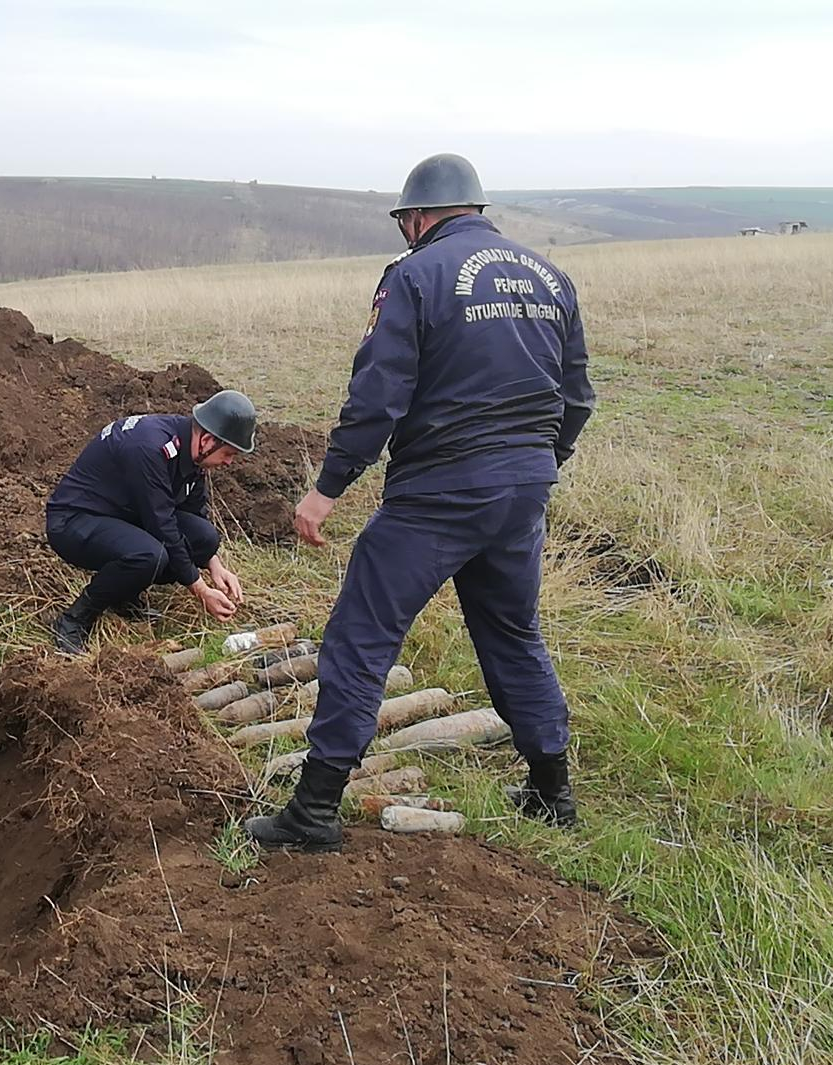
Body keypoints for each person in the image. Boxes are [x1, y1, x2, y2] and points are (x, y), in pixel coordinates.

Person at [248, 153, 595, 853]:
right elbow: (578, 395)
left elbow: (378, 397)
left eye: (405, 220)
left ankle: (314, 809)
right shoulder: (550, 277)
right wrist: (536, 465)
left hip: (440, 488)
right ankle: (552, 793)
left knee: (362, 634)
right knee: (513, 633)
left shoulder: (414, 275)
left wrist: (327, 489)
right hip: (522, 489)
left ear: (419, 217)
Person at [44, 390, 259, 654]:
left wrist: (215, 566)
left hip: (121, 514)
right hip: (75, 520)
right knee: (150, 555)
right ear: (207, 440)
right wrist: (200, 589)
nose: (228, 462)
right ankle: (74, 619)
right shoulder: (150, 448)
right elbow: (163, 525)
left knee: (205, 539)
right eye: (228, 453)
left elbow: (193, 510)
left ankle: (123, 593)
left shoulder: (191, 449)